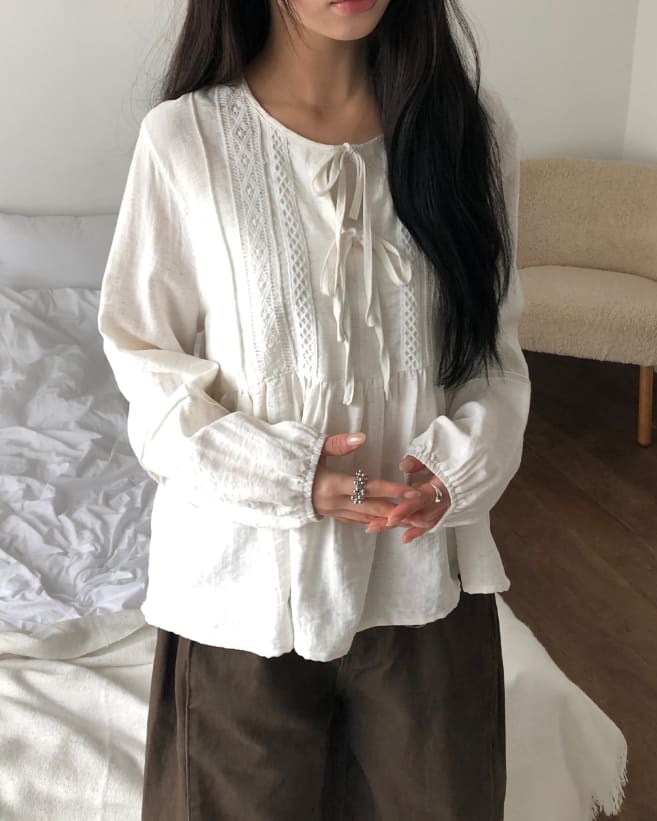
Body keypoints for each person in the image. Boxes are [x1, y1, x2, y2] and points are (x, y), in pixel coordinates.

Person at [97, 0, 531, 818]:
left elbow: (493, 353)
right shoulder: (186, 139)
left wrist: (459, 467)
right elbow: (144, 362)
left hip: (421, 578)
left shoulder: (467, 132)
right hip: (241, 586)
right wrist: (282, 474)